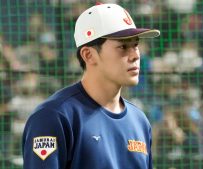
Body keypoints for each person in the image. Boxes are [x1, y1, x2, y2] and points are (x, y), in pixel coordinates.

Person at [22, 3, 160, 169]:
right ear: (88, 55)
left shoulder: (140, 120)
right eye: (123, 46)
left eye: (135, 45)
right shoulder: (53, 116)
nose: (135, 55)